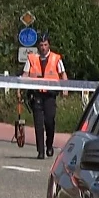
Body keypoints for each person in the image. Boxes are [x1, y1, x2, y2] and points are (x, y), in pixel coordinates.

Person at [21, 32, 68, 160]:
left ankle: (49, 145)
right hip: (36, 95)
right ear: (38, 46)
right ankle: (40, 151)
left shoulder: (56, 58)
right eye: (41, 45)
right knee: (38, 123)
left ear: (49, 45)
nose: (43, 47)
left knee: (49, 121)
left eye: (45, 45)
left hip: (50, 95)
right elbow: (25, 75)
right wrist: (19, 87)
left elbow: (63, 74)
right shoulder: (32, 58)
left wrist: (65, 88)